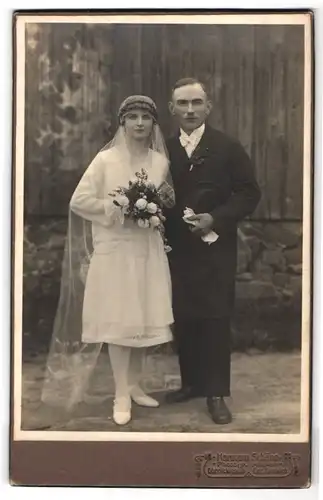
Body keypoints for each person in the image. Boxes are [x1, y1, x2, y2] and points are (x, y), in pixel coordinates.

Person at [41, 95, 175, 426]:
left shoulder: (160, 162)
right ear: (122, 122)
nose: (140, 123)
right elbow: (79, 201)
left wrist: (158, 205)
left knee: (144, 318)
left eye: (146, 117)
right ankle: (119, 393)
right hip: (116, 250)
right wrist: (117, 208)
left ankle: (134, 384)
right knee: (120, 322)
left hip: (147, 249)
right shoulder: (105, 161)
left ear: (153, 123)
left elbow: (160, 199)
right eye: (133, 117)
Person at [164, 78, 261, 424]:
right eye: (182, 104)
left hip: (216, 246)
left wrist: (216, 219)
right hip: (176, 248)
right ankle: (191, 383)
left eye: (196, 103)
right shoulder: (165, 149)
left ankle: (216, 392)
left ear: (208, 106)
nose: (190, 110)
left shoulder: (227, 147)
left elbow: (249, 193)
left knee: (216, 316)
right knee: (184, 314)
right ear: (172, 108)